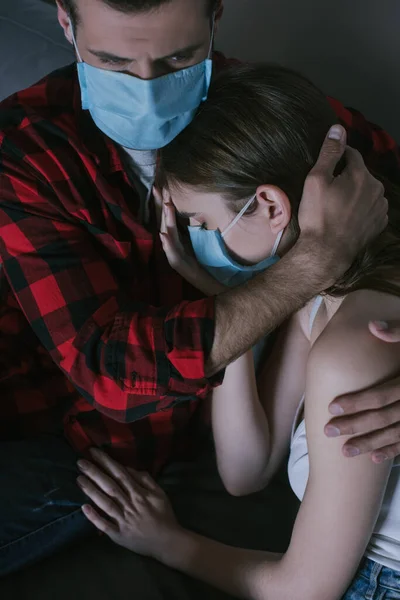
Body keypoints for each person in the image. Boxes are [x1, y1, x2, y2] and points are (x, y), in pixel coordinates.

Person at [0, 0, 396, 576]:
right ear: (66, 22)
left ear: (215, 17)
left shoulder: (267, 111)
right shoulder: (28, 150)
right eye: (112, 61)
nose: (146, 88)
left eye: (177, 58)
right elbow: (112, 372)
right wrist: (306, 268)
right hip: (69, 428)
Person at [77, 64, 400, 600]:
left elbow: (304, 590)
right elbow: (245, 469)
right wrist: (228, 306)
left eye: (200, 224)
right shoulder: (321, 299)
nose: (192, 238)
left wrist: (167, 542)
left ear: (271, 206)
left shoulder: (357, 345)